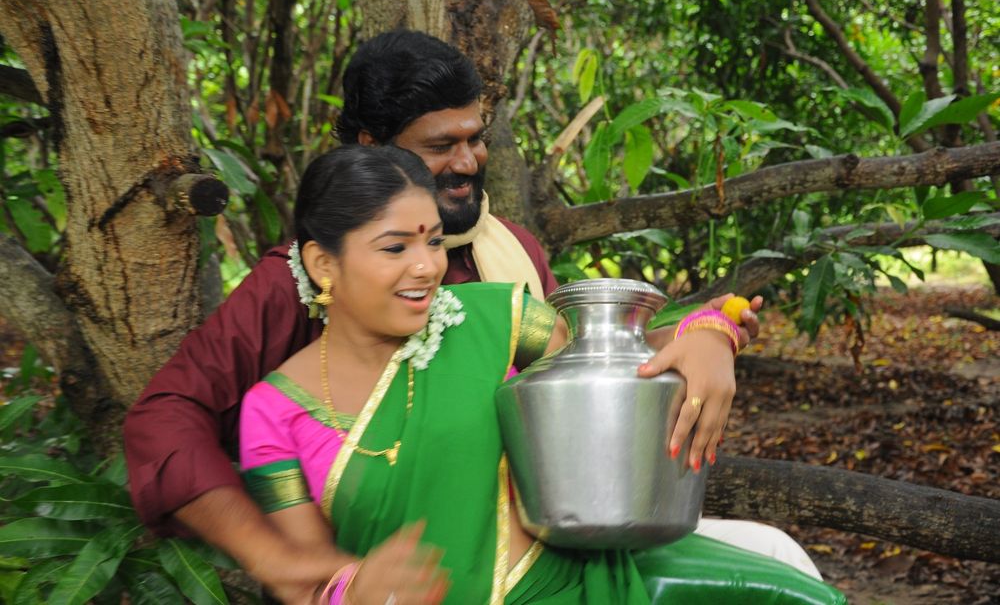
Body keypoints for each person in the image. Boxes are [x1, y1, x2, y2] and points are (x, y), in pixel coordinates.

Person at [123, 30, 814, 601]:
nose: (467, 161)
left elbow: (588, 361)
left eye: (475, 138)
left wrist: (709, 330)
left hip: (556, 555)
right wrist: (283, 563)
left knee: (779, 563)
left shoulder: (506, 256)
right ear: (371, 149)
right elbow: (167, 419)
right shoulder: (293, 289)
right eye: (439, 146)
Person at [238, 144, 845, 604]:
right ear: (323, 263)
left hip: (578, 584)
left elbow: (610, 357)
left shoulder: (490, 317)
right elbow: (306, 575)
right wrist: (356, 588)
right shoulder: (275, 411)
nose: (425, 267)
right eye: (395, 248)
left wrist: (709, 332)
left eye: (433, 242)